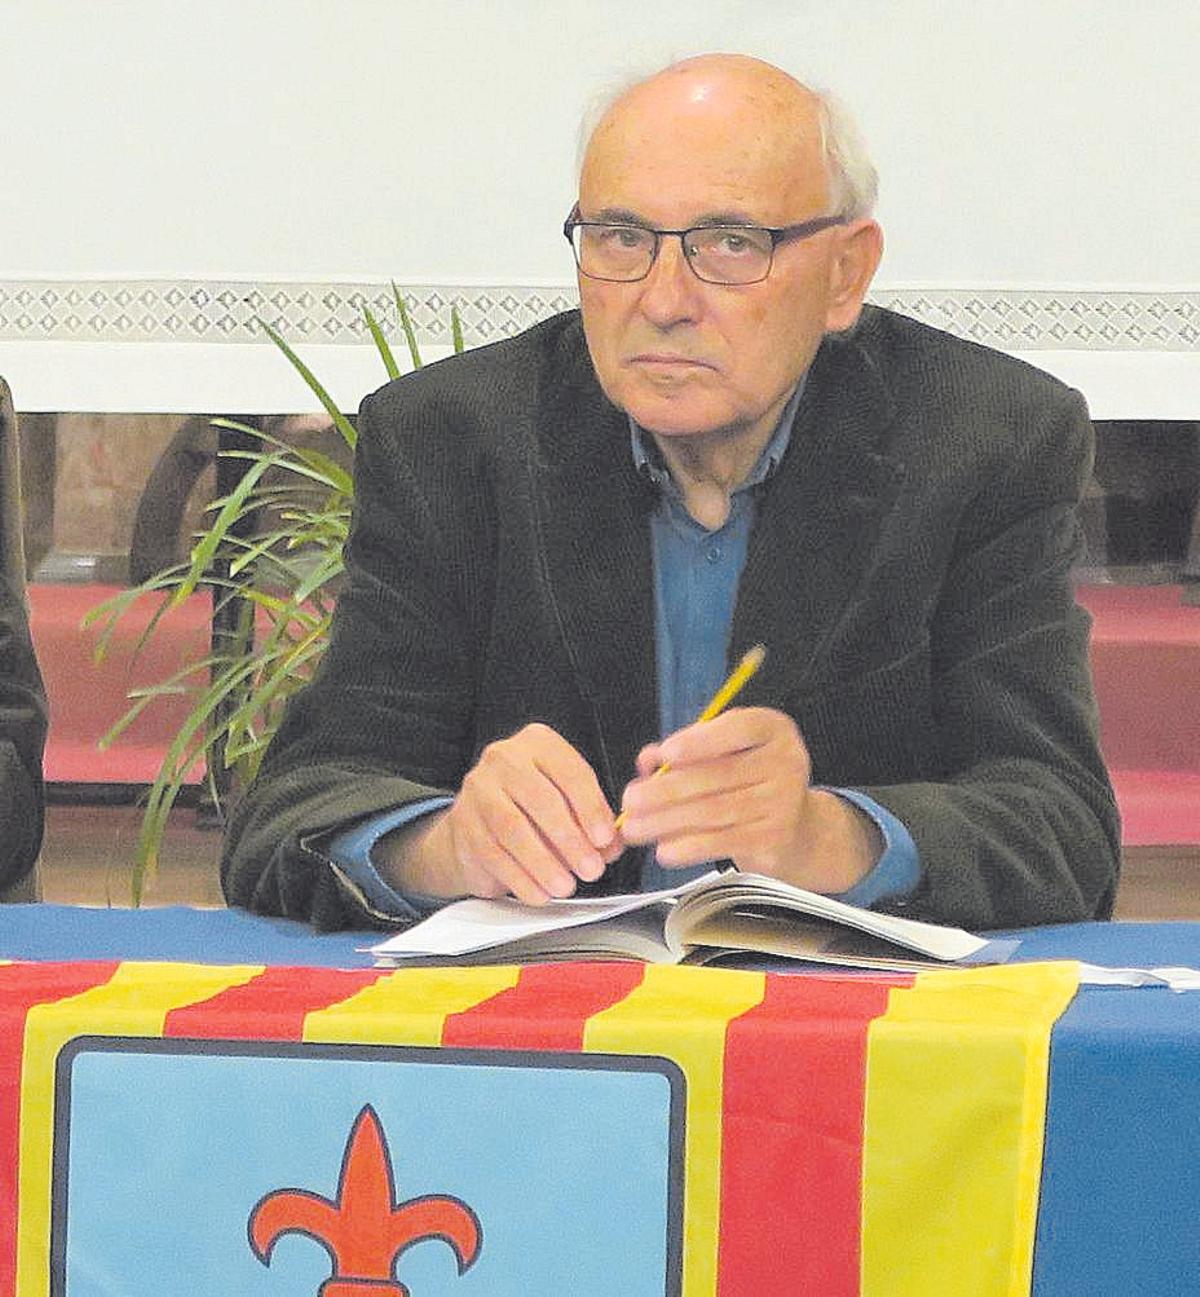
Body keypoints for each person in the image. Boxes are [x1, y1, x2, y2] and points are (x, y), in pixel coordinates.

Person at [221, 53, 1120, 932]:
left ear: (846, 273)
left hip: (834, 1014)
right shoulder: (452, 441)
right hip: (547, 1010)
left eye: (729, 244)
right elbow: (296, 811)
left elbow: (1063, 829)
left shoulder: (984, 439)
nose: (662, 300)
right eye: (622, 239)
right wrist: (444, 847)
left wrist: (828, 837)